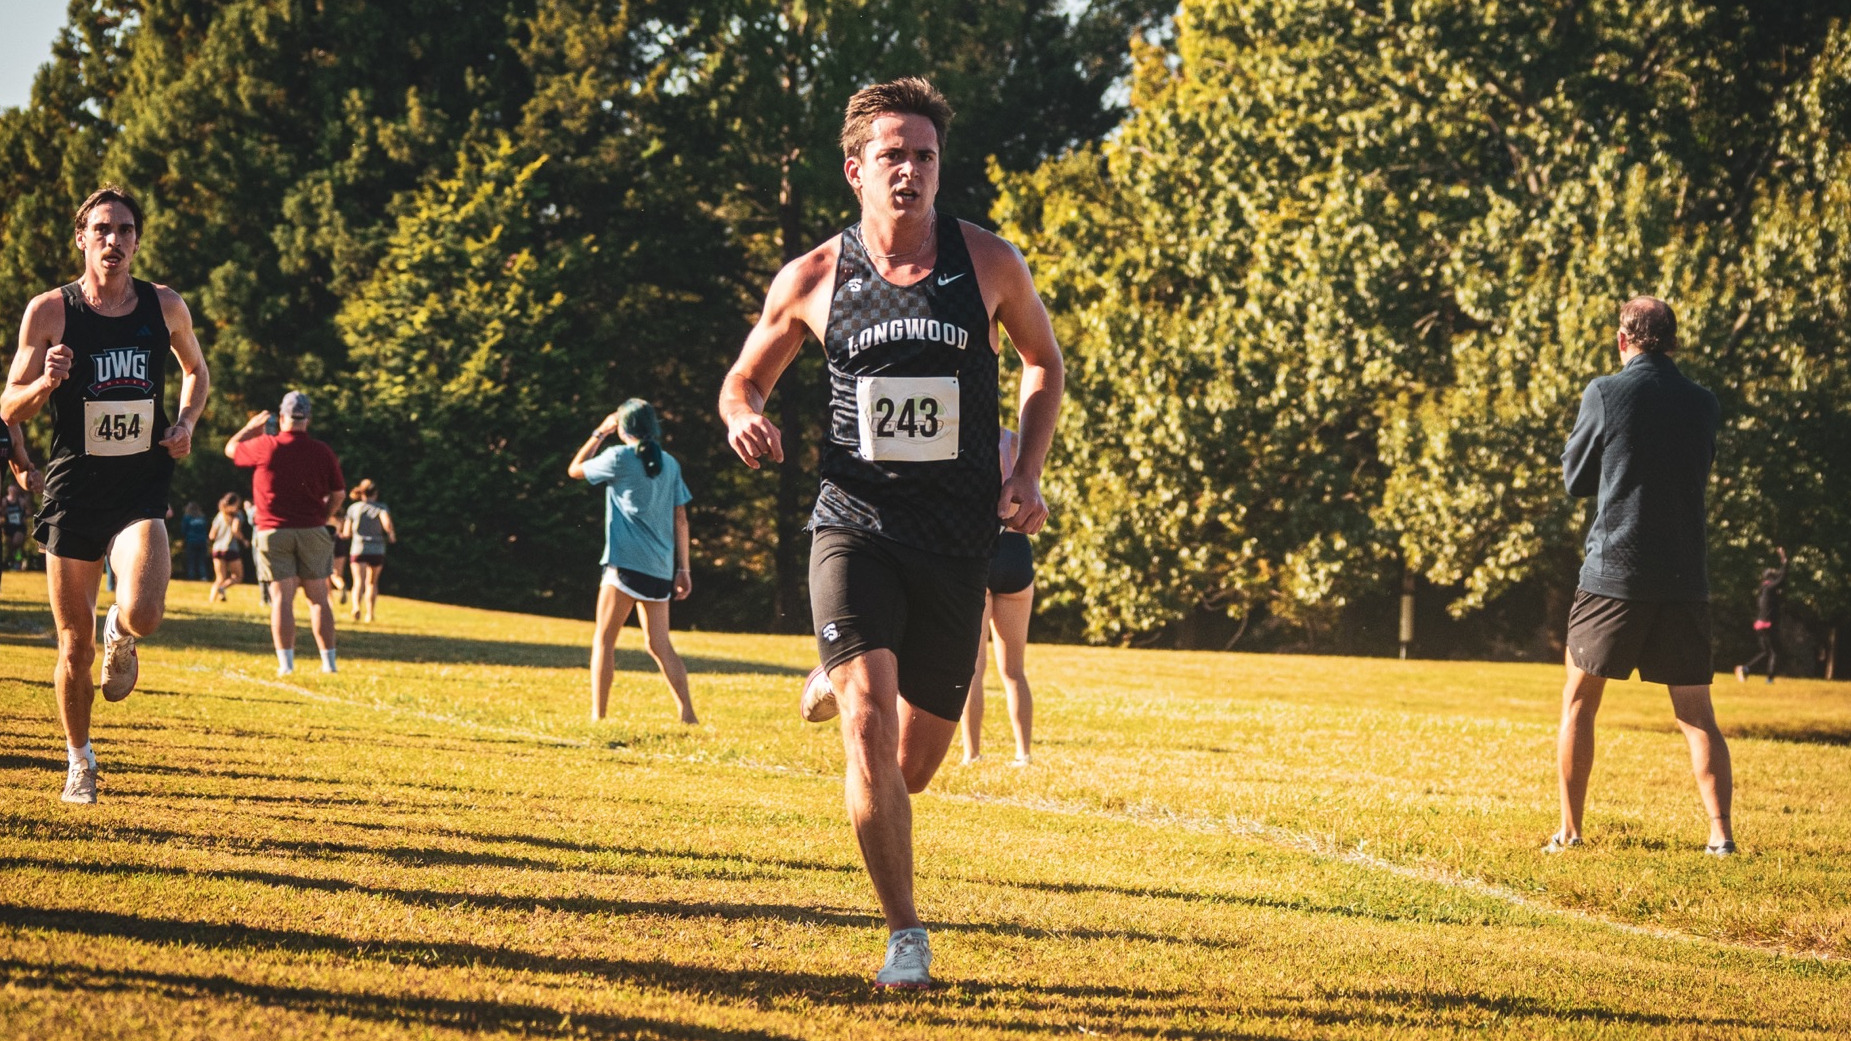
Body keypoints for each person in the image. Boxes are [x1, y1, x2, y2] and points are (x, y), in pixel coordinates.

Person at [719, 77, 1064, 988]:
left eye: (924, 155)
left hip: (956, 543)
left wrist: (1025, 471)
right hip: (854, 526)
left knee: (909, 771)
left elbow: (1043, 364)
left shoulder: (987, 262)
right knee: (870, 725)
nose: (910, 170)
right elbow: (741, 379)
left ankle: (839, 674)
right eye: (892, 155)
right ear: (855, 169)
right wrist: (741, 416)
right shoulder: (812, 278)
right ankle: (905, 933)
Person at [2, 184, 210, 804]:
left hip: (139, 486)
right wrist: (45, 381)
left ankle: (123, 629)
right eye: (101, 230)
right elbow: (8, 405)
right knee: (73, 645)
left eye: (124, 230)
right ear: (82, 239)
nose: (113, 240)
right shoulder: (49, 312)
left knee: (145, 611)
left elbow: (196, 371)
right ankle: (80, 761)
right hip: (71, 491)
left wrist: (185, 424)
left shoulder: (164, 305)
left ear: (137, 241)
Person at [1552, 296, 1733, 856]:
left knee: (1580, 701)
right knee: (1697, 712)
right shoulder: (1703, 402)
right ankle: (1720, 837)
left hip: (1615, 572)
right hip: (1684, 575)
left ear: (1622, 339)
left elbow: (1576, 479)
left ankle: (1571, 831)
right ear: (1673, 342)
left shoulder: (1605, 392)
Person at [567, 400, 697, 725]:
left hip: (624, 567)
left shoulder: (618, 458)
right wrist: (683, 569)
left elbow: (575, 469)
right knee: (659, 644)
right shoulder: (670, 463)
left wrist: (600, 432)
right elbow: (680, 518)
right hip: (660, 570)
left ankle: (599, 716)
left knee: (605, 639)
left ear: (623, 427)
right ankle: (688, 714)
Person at [225, 391, 344, 675]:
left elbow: (231, 449)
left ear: (281, 418)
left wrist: (250, 427)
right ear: (308, 419)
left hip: (273, 531)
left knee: (282, 598)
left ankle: (286, 665)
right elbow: (338, 493)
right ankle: (329, 664)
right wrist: (323, 517)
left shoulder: (266, 445)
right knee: (319, 598)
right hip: (313, 529)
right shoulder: (322, 451)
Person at [959, 428, 1036, 767]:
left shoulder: (963, 441)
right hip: (1017, 551)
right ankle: (1023, 753)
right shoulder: (1019, 443)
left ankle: (972, 753)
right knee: (1014, 670)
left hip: (979, 551)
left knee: (974, 668)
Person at [340, 478, 396, 623]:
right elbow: (386, 523)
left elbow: (346, 533)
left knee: (358, 581)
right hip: (377, 549)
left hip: (359, 548)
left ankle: (356, 607)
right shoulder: (381, 507)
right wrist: (390, 534)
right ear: (375, 493)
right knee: (372, 583)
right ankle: (370, 614)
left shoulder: (354, 508)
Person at [1735, 547, 1787, 684]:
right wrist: (1784, 560)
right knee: (1775, 652)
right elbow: (1782, 577)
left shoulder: (1763, 589)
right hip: (1769, 624)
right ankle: (1769, 679)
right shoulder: (1770, 588)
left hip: (1760, 624)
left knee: (1766, 652)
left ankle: (1745, 668)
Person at [208, 492, 248, 602]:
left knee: (220, 578)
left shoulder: (219, 515)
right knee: (237, 576)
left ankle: (212, 600)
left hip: (217, 549)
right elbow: (235, 530)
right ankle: (222, 588)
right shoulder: (237, 515)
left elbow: (211, 535)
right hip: (230, 549)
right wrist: (244, 540)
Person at [179, 501, 211, 581]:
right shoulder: (202, 517)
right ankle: (203, 576)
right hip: (202, 541)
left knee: (191, 560)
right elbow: (206, 529)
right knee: (201, 560)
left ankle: (191, 577)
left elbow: (183, 530)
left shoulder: (187, 518)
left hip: (191, 541)